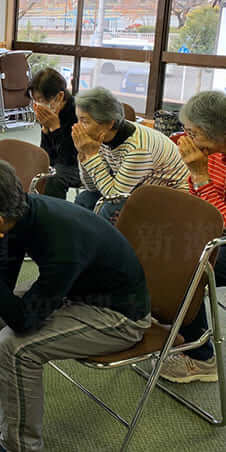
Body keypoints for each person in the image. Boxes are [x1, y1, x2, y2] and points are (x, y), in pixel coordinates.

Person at [0, 155, 151, 452]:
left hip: (118, 316)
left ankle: (20, 446)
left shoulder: (61, 237)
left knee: (16, 347)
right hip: (74, 293)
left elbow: (23, 322)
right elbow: (1, 288)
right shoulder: (16, 217)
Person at [154, 90, 226, 383]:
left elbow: (220, 223)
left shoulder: (206, 160)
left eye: (194, 132)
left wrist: (199, 176)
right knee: (149, 250)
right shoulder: (210, 154)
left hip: (220, 238)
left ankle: (203, 358)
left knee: (185, 272)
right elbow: (195, 203)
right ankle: (179, 327)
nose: (188, 138)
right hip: (207, 233)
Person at [72, 87, 189, 221]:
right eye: (78, 120)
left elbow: (114, 197)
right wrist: (84, 156)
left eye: (85, 121)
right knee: (85, 198)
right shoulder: (102, 138)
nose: (78, 127)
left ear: (109, 124)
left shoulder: (138, 148)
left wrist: (92, 156)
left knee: (109, 209)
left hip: (172, 198)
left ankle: (101, 242)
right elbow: (92, 187)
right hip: (139, 189)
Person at [28, 68, 80, 199]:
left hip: (80, 164)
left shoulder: (78, 114)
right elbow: (46, 155)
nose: (37, 104)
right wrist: (46, 130)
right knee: (28, 166)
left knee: (54, 177)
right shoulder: (48, 112)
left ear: (60, 96)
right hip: (59, 162)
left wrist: (56, 128)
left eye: (40, 99)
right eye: (34, 99)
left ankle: (53, 214)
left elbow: (68, 159)